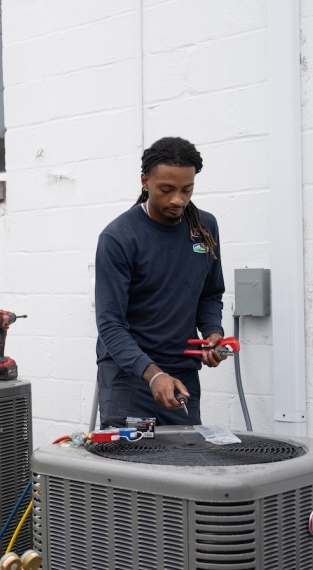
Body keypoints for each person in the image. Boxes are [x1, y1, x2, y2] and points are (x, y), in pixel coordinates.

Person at [94, 137, 225, 428]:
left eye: (186, 189)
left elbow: (209, 294)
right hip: (131, 379)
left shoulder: (203, 229)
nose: (178, 199)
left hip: (182, 375)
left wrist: (213, 334)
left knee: (184, 465)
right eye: (166, 189)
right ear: (145, 181)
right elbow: (110, 324)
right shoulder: (118, 238)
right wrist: (153, 374)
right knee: (131, 470)